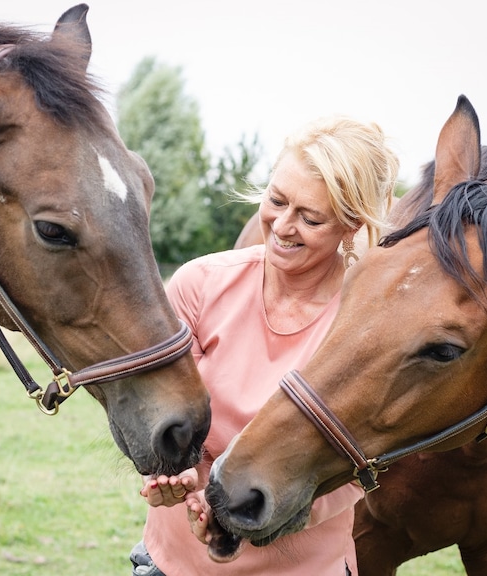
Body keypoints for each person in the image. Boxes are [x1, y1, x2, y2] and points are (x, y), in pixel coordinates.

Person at [130, 115, 399, 576]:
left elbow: (362, 469)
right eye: (276, 200)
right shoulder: (200, 284)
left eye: (310, 217)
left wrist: (249, 518)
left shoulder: (365, 321)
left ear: (351, 224)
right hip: (175, 564)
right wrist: (178, 476)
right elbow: (158, 409)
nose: (282, 225)